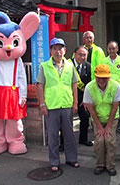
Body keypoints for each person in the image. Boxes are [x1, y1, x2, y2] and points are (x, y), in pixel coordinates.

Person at [36, 38, 79, 171]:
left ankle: (72, 158)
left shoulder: (70, 66)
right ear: (50, 51)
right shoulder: (45, 66)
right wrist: (42, 104)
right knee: (53, 135)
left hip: (66, 104)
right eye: (55, 48)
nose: (58, 51)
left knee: (69, 134)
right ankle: (54, 161)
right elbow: (39, 86)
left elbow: (74, 85)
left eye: (60, 48)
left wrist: (75, 102)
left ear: (65, 50)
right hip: (52, 106)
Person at [83, 64, 120, 176]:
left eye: (104, 77)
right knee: (100, 140)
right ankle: (100, 164)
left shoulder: (115, 86)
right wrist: (100, 127)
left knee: (110, 140)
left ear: (109, 77)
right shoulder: (89, 87)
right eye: (99, 77)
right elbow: (91, 109)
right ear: (95, 76)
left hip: (112, 117)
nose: (101, 80)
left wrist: (108, 126)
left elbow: (115, 107)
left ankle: (110, 166)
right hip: (97, 118)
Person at [70, 46, 93, 146]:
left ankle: (83, 139)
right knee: (67, 122)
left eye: (84, 55)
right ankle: (63, 143)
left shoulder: (87, 66)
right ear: (75, 54)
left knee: (85, 118)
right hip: (69, 97)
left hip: (82, 98)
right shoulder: (68, 64)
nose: (82, 57)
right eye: (80, 54)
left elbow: (88, 84)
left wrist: (86, 99)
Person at [103, 41, 120, 135]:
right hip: (108, 88)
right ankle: (110, 125)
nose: (112, 50)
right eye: (110, 49)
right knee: (109, 107)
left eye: (113, 48)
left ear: (117, 49)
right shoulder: (104, 61)